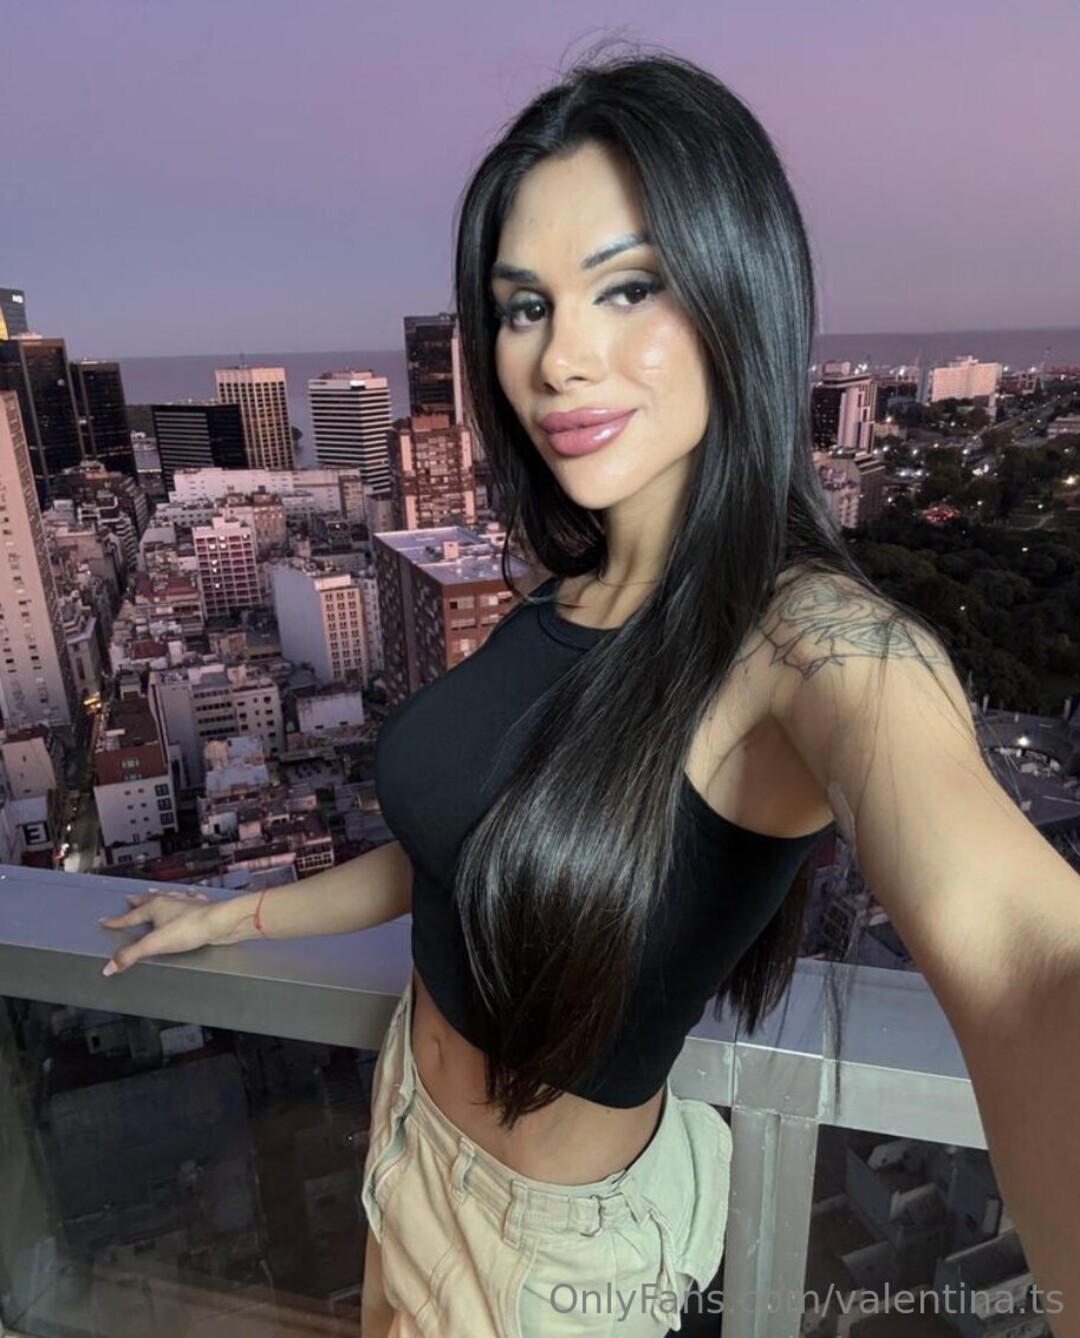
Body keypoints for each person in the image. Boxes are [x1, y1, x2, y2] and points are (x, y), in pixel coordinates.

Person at [101, 46, 1080, 1338]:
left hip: (549, 1253)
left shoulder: (809, 644)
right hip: (410, 1133)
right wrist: (236, 916)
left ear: (741, 297)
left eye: (628, 287)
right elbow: (457, 853)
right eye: (524, 306)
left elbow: (1022, 952)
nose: (562, 357)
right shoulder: (555, 599)